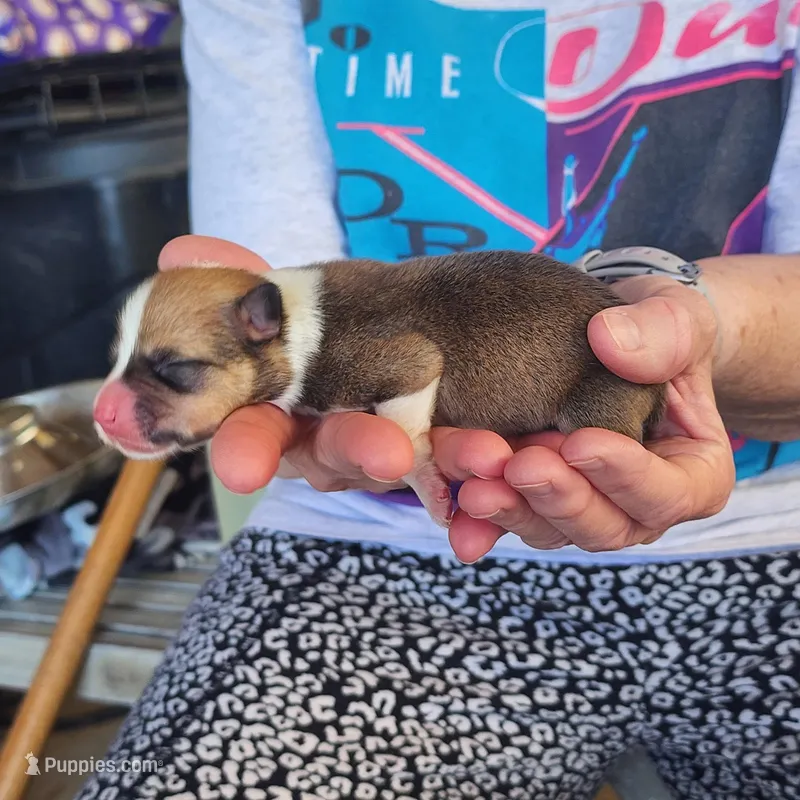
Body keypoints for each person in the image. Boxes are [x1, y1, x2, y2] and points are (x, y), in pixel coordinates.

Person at [77, 0, 800, 798]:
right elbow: (267, 288)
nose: (116, 406)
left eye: (166, 373)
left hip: (768, 535)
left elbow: (408, 362)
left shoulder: (342, 347)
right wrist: (391, 454)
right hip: (383, 550)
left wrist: (696, 330)